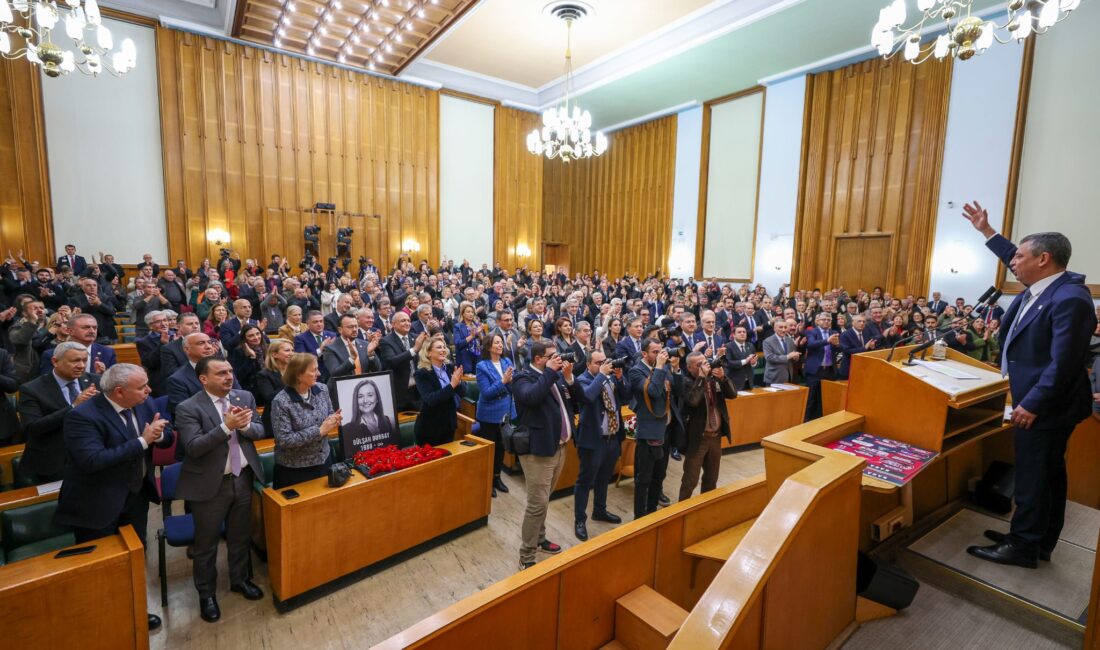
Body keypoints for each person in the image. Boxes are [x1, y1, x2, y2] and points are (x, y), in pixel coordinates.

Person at [962, 201, 1096, 568]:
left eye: (1020, 257)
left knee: (1034, 476)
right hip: (1041, 400)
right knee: (1047, 475)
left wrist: (1033, 403)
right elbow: (1014, 254)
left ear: (1043, 259)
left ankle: (1023, 546)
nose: (1013, 262)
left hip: (1047, 406)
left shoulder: (1069, 299)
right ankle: (1039, 540)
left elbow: (1064, 362)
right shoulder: (1045, 286)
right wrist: (987, 232)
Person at [53, 363, 172, 631]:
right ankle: (104, 621)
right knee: (101, 567)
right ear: (119, 392)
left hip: (136, 495)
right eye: (142, 387)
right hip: (97, 503)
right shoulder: (82, 416)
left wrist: (160, 435)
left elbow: (164, 433)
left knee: (134, 556)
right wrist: (143, 441)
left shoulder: (144, 402)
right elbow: (92, 460)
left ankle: (134, 609)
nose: (149, 390)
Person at [174, 357, 266, 623]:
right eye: (221, 373)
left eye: (230, 371)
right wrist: (227, 427)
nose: (229, 376)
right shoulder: (188, 407)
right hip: (209, 484)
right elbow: (193, 447)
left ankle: (240, 579)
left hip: (243, 478)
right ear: (203, 379)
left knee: (240, 535)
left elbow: (260, 430)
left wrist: (245, 426)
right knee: (206, 544)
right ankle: (207, 595)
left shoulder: (244, 396)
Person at [512, 341, 579, 570]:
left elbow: (575, 404)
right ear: (538, 359)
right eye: (552, 356)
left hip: (558, 447)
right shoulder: (522, 378)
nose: (557, 359)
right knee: (536, 504)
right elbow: (532, 397)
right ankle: (526, 556)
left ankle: (539, 538)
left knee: (544, 499)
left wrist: (568, 378)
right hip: (538, 451)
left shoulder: (555, 375)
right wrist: (550, 372)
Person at [17, 342, 99, 483]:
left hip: (90, 458)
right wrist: (74, 406)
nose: (81, 365)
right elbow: (33, 428)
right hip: (51, 464)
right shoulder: (31, 389)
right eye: (75, 361)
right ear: (55, 361)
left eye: (84, 360)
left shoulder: (95, 381)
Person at [573, 349, 629, 541]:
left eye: (604, 361)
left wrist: (620, 379)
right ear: (588, 364)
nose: (603, 365)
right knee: (585, 481)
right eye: (598, 363)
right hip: (593, 440)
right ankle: (580, 520)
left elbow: (626, 397)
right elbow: (588, 397)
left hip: (612, 438)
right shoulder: (582, 380)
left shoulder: (609, 377)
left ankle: (600, 510)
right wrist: (602, 375)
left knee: (604, 478)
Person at [269, 353, 342, 488]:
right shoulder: (280, 401)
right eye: (314, 370)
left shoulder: (322, 389)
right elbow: (284, 440)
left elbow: (330, 412)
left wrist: (333, 419)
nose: (319, 373)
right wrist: (319, 431)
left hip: (324, 460)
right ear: (298, 375)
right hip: (295, 470)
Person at [629, 338, 680, 519]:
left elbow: (676, 390)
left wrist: (675, 369)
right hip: (649, 432)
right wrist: (659, 367)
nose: (660, 355)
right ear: (644, 353)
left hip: (665, 430)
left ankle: (652, 514)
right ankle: (639, 518)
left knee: (659, 475)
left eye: (660, 350)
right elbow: (653, 392)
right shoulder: (636, 371)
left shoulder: (663, 367)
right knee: (644, 479)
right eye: (655, 352)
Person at [678, 352, 737, 501]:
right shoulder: (686, 381)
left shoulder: (714, 378)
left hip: (715, 437)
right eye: (699, 365)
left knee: (711, 479)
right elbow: (693, 401)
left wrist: (723, 378)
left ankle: (706, 508)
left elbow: (733, 394)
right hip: (698, 439)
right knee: (690, 481)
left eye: (705, 362)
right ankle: (682, 510)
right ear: (689, 368)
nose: (704, 367)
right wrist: (701, 378)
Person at [475, 332, 515, 497]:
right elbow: (486, 393)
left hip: (505, 410)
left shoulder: (507, 361)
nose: (500, 345)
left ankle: (497, 477)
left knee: (501, 447)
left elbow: (513, 387)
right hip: (489, 414)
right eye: (497, 342)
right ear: (489, 346)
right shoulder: (482, 366)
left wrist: (510, 383)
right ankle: (488, 480)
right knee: (490, 449)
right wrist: (503, 382)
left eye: (501, 342)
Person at [413, 335, 467, 447]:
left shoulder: (450, 367)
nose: (443, 350)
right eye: (439, 347)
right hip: (430, 428)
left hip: (449, 424)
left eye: (444, 347)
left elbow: (463, 393)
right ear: (428, 352)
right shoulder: (421, 374)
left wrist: (459, 383)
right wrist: (452, 385)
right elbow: (431, 399)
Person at [378, 312, 428, 411]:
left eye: (409, 321)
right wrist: (414, 350)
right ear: (393, 324)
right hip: (401, 392)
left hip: (419, 389)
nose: (407, 323)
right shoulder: (386, 341)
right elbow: (391, 361)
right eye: (403, 321)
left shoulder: (416, 337)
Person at [39, 313, 117, 375]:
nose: (92, 331)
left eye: (94, 328)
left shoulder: (108, 353)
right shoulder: (52, 354)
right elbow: (48, 383)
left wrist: (103, 374)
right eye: (86, 327)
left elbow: (113, 382)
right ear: (70, 331)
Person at [803, 312, 840, 421]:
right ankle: (806, 422)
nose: (826, 321)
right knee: (811, 399)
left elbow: (841, 348)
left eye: (828, 320)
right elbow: (810, 344)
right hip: (815, 371)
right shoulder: (812, 332)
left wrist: (837, 344)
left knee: (825, 398)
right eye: (823, 319)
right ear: (817, 321)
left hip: (829, 370)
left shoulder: (834, 332)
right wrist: (827, 341)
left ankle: (822, 421)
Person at [321, 313, 381, 379]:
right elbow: (335, 373)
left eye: (356, 326)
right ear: (340, 330)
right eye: (350, 327)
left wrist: (371, 355)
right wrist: (352, 359)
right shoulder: (330, 349)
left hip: (364, 384)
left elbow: (378, 370)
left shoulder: (366, 345)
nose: (354, 329)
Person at [342, 378, 397, 449]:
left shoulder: (391, 422)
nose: (365, 400)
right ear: (356, 400)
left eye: (370, 395)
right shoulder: (346, 430)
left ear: (377, 399)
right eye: (360, 396)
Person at [254, 340, 292, 434]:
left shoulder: (296, 371)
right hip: (276, 421)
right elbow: (270, 397)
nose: (291, 353)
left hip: (297, 418)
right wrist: (290, 381)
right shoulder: (264, 375)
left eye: (292, 350)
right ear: (275, 354)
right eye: (287, 350)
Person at [136, 310, 174, 396]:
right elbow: (149, 363)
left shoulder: (177, 336)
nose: (163, 324)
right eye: (158, 321)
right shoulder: (144, 342)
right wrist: (162, 345)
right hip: (161, 383)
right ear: (150, 326)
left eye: (165, 320)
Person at [227, 323, 267, 393]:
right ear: (244, 338)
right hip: (252, 388)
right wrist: (251, 358)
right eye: (251, 336)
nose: (256, 337)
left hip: (267, 384)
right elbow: (239, 375)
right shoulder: (239, 351)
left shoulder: (266, 348)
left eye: (258, 334)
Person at [838, 315, 876, 380]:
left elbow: (867, 349)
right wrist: (864, 348)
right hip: (849, 369)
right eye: (859, 321)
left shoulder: (866, 333)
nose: (862, 323)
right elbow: (847, 351)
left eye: (863, 321)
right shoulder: (845, 334)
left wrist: (871, 347)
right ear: (853, 323)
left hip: (863, 368)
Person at [723, 325, 757, 391]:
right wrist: (745, 361)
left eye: (744, 332)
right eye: (739, 332)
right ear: (733, 335)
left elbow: (755, 362)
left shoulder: (750, 345)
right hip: (735, 383)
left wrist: (753, 363)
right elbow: (727, 363)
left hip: (749, 382)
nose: (742, 334)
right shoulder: (728, 346)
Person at [454, 302, 483, 374]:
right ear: (463, 314)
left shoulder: (477, 325)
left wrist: (479, 334)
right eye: (468, 312)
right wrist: (472, 336)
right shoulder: (458, 326)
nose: (471, 314)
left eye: (472, 312)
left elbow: (485, 342)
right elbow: (458, 344)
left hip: (478, 359)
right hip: (465, 360)